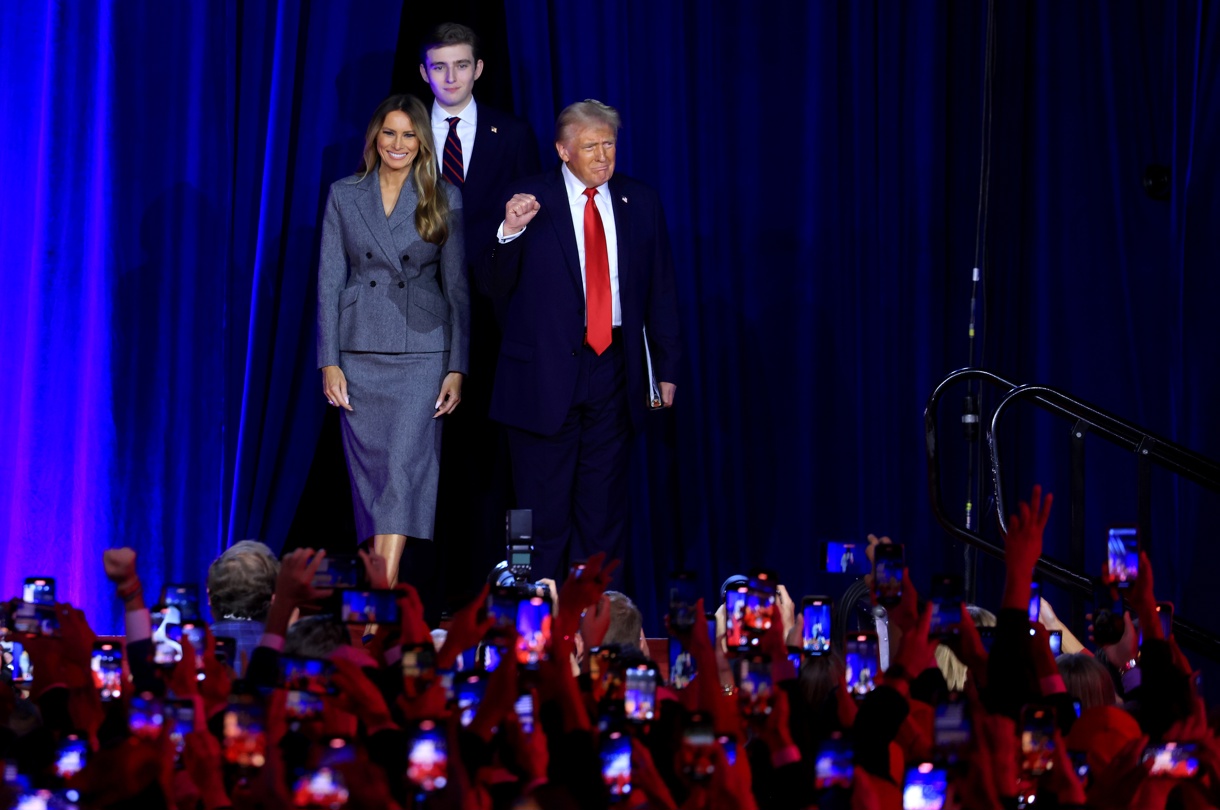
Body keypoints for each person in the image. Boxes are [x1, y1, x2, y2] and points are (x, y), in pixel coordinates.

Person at [476, 99, 681, 582]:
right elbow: (490, 284)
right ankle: (533, 612)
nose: (603, 156)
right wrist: (508, 232)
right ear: (563, 150)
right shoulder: (526, 198)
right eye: (591, 146)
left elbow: (662, 290)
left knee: (603, 509)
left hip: (614, 370)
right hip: (541, 378)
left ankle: (596, 620)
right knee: (535, 510)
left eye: (610, 144)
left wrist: (667, 369)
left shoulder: (641, 202)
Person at [317, 93, 469, 586]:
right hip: (358, 352)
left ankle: (380, 593)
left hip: (422, 354)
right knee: (375, 480)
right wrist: (329, 361)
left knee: (404, 470)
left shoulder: (444, 195)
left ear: (421, 142)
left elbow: (458, 289)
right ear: (375, 138)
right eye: (389, 133)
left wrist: (456, 367)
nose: (397, 144)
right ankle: (381, 599)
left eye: (408, 135)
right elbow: (328, 282)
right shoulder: (344, 193)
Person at [418, 22, 542, 599]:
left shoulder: (512, 133)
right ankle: (428, 588)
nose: (451, 77)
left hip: (492, 315)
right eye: (439, 67)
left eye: (461, 65)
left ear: (479, 69)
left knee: (488, 461)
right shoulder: (405, 131)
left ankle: (490, 587)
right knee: (422, 458)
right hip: (417, 315)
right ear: (424, 73)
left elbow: (527, 223)